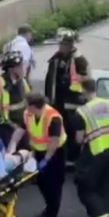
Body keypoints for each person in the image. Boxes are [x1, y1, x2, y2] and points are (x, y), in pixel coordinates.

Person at [8, 93, 66, 217]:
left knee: (54, 185)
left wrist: (46, 159)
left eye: (29, 106)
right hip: (39, 152)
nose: (26, 108)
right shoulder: (28, 114)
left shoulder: (54, 118)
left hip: (56, 153)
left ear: (35, 106)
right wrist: (12, 147)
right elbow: (19, 132)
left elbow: (54, 142)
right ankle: (49, 206)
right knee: (41, 182)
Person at [71, 78, 109, 217]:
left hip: (95, 152)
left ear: (84, 91)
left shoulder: (82, 112)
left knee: (85, 187)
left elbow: (79, 139)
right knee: (106, 185)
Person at [44, 28, 89, 163]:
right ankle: (62, 155)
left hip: (72, 103)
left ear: (69, 45)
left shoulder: (78, 59)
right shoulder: (58, 58)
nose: (60, 47)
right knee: (59, 130)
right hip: (59, 102)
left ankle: (72, 158)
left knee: (71, 131)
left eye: (62, 44)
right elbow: (51, 80)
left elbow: (84, 79)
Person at [0, 50, 31, 148]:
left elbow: (29, 99)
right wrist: (1, 120)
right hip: (6, 127)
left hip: (21, 125)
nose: (24, 68)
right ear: (12, 69)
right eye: (21, 66)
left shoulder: (22, 81)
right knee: (10, 153)